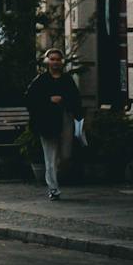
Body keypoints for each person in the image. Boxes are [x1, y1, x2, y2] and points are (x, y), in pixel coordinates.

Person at [25, 47, 83, 200]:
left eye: (58, 59)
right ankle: (53, 188)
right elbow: (30, 100)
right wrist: (48, 100)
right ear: (47, 61)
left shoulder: (67, 80)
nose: (55, 62)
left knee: (65, 155)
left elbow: (76, 99)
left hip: (65, 119)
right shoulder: (41, 80)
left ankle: (56, 178)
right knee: (50, 157)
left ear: (61, 62)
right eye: (52, 59)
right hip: (47, 121)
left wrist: (77, 117)